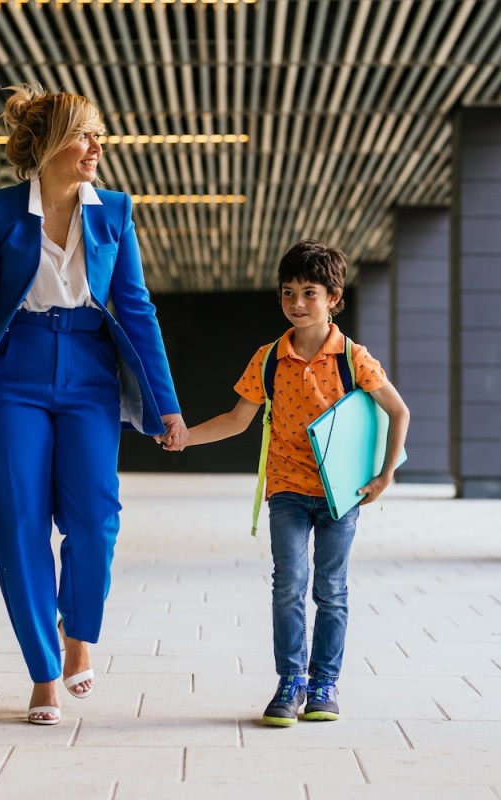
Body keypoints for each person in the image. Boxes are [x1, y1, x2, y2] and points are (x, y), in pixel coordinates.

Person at [0, 85, 188, 726]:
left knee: (97, 518)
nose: (96, 148)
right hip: (9, 377)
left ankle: (79, 633)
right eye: (85, 135)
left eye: (98, 135)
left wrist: (166, 405)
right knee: (20, 526)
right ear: (49, 145)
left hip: (88, 373)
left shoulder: (113, 211)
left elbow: (136, 308)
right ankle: (44, 674)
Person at [160, 240, 409, 726]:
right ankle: (291, 680)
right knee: (289, 587)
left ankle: (324, 683)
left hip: (341, 493)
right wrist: (186, 437)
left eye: (309, 293)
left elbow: (398, 411)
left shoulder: (353, 358)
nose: (297, 303)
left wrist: (385, 474)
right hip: (288, 491)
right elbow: (237, 420)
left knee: (330, 590)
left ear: (334, 298)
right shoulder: (269, 358)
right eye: (288, 292)